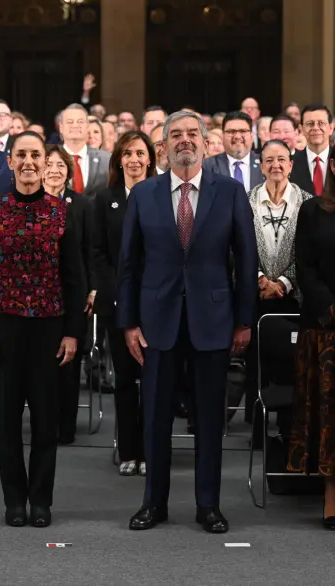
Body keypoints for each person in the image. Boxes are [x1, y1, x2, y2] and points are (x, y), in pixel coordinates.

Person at [117, 111, 257, 534]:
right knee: (155, 418)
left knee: (209, 419)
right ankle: (153, 504)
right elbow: (128, 264)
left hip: (213, 320)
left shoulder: (230, 192)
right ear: (163, 146)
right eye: (175, 135)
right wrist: (128, 323)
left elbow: (246, 261)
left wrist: (244, 320)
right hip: (157, 321)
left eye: (191, 134)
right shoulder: (143, 194)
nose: (184, 141)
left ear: (204, 141)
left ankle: (208, 506)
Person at [0, 131, 85, 528]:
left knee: (44, 423)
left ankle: (41, 501)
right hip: (2, 329)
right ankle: (14, 501)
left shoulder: (63, 212)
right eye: (21, 155)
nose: (29, 162)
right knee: (6, 421)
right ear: (10, 161)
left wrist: (73, 333)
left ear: (45, 160)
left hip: (50, 330)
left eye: (36, 155)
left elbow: (74, 278)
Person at [95, 130, 155, 476]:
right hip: (118, 303)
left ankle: (150, 449)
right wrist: (115, 293)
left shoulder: (163, 195)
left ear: (150, 158)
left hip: (155, 302)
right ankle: (129, 450)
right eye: (127, 153)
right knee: (123, 379)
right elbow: (99, 253)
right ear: (119, 159)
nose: (134, 159)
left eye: (140, 153)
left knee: (152, 378)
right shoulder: (105, 199)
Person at [243, 140, 312, 431]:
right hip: (253, 295)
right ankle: (256, 427)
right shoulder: (245, 201)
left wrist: (283, 282)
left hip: (292, 298)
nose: (276, 166)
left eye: (282, 160)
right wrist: (259, 278)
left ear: (291, 165)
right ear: (260, 167)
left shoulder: (308, 203)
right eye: (269, 160)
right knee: (255, 362)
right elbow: (238, 249)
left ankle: (288, 427)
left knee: (290, 363)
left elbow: (309, 253)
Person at [288, 143, 335, 529]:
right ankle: (331, 494)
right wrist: (330, 308)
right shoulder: (313, 210)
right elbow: (304, 266)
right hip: (325, 329)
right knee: (329, 414)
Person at [42, 145, 96, 445]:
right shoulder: (30, 202)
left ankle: (66, 428)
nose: (54, 170)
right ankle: (44, 424)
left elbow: (91, 249)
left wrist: (92, 289)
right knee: (42, 362)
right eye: (48, 164)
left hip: (74, 293)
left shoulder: (83, 204)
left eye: (60, 165)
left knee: (69, 361)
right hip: (38, 293)